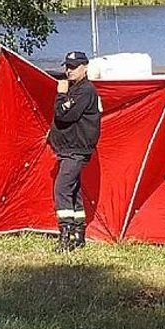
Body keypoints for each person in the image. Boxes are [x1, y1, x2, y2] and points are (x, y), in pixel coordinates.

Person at [48, 51, 102, 252]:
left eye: (73, 67)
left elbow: (64, 115)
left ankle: (65, 236)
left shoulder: (84, 91)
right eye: (67, 67)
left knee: (61, 188)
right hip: (71, 149)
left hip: (76, 150)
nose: (68, 71)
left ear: (85, 67)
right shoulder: (78, 89)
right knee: (74, 190)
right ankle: (78, 234)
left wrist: (61, 94)